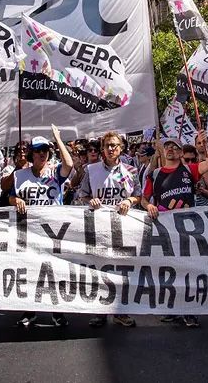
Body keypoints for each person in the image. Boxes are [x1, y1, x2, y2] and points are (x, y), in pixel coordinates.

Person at [75, 131, 141, 328]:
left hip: (124, 227)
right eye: (107, 146)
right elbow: (82, 194)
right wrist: (91, 201)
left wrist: (129, 201)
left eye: (114, 145)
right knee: (100, 269)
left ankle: (121, 312)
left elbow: (138, 195)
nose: (111, 149)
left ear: (121, 148)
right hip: (100, 227)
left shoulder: (131, 170)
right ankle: (100, 312)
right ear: (102, 149)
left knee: (122, 270)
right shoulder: (91, 170)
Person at [7, 131, 72, 328]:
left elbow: (69, 164)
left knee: (54, 271)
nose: (42, 154)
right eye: (37, 151)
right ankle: (30, 311)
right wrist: (16, 200)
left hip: (53, 232)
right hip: (30, 231)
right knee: (31, 270)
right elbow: (10, 197)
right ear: (31, 154)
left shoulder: (55, 173)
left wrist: (58, 139)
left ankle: (57, 312)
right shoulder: (20, 175)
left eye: (45, 150)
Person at [140, 136, 206, 327]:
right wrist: (149, 206)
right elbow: (144, 198)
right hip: (165, 229)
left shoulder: (189, 170)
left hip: (188, 229)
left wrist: (205, 144)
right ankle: (173, 309)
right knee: (169, 270)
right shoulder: (155, 174)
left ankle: (189, 311)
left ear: (181, 152)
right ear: (163, 151)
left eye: (175, 147)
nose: (170, 150)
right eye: (167, 147)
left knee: (188, 270)